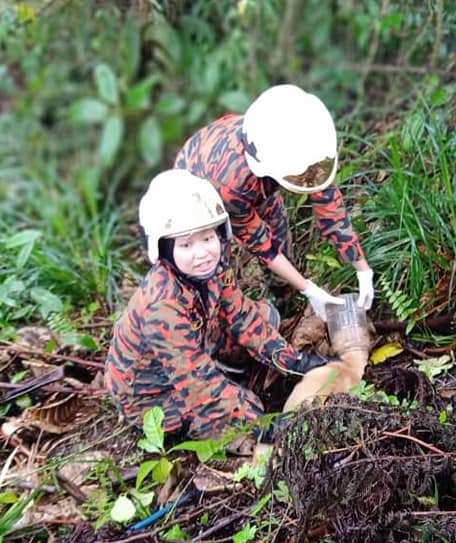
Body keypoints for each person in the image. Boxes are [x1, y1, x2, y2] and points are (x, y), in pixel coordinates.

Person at [104, 169, 329, 440]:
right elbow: (198, 383)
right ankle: (237, 401)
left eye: (208, 238)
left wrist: (296, 361)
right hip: (151, 392)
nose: (202, 254)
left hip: (197, 342)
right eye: (186, 245)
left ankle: (237, 376)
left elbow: (242, 316)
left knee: (266, 316)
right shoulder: (161, 307)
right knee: (231, 418)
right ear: (164, 249)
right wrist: (262, 423)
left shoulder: (214, 268)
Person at [173, 83, 374, 320]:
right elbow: (263, 246)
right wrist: (308, 288)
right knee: (211, 260)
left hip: (255, 172)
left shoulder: (299, 137)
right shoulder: (232, 185)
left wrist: (362, 268)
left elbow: (329, 205)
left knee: (279, 231)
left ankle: (284, 298)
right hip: (202, 191)